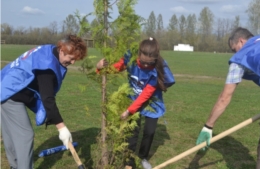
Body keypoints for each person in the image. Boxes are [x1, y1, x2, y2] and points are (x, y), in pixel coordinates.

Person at [196, 27, 260, 169]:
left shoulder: (242, 55)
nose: (235, 53)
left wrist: (208, 126)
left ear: (241, 41)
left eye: (234, 49)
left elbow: (224, 98)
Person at [1, 34, 87, 169]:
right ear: (62, 50)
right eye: (71, 59)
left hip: (6, 86)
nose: (73, 62)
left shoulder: (51, 51)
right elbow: (47, 99)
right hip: (9, 92)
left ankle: (15, 165)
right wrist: (62, 128)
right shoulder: (47, 67)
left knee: (11, 132)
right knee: (25, 135)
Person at [96, 37, 175, 169]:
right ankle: (129, 163)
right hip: (133, 98)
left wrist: (128, 111)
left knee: (149, 132)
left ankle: (142, 157)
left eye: (148, 63)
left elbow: (146, 94)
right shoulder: (130, 58)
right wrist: (100, 69)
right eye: (143, 62)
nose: (145, 66)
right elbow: (117, 67)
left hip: (152, 102)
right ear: (138, 54)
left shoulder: (157, 68)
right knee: (132, 132)